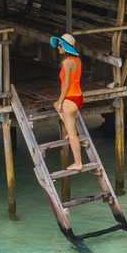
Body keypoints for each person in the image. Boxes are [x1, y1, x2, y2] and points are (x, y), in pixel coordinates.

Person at [50, 33, 85, 169]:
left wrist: (60, 101)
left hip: (70, 99)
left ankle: (78, 163)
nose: (58, 47)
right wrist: (58, 104)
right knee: (56, 106)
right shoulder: (77, 60)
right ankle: (70, 128)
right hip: (79, 97)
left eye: (60, 45)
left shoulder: (66, 62)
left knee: (72, 135)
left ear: (65, 47)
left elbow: (65, 86)